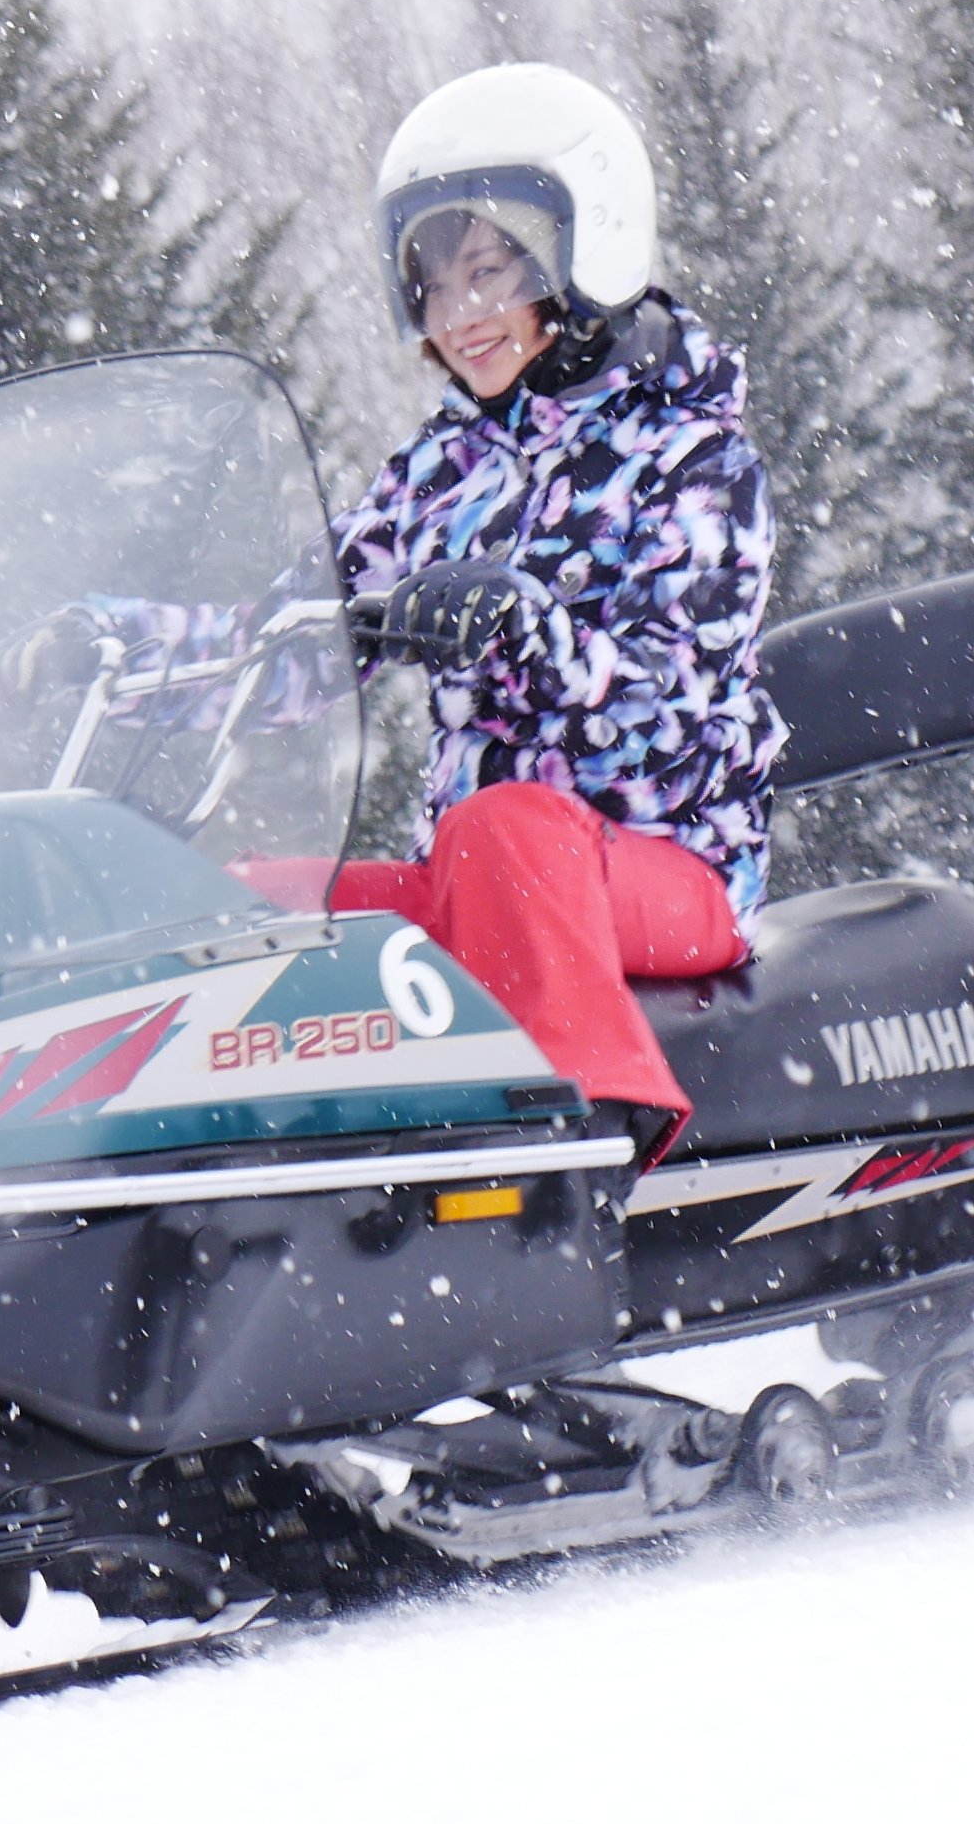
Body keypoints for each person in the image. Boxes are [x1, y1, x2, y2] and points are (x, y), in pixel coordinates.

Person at [324, 61, 783, 1155]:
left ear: (584, 254)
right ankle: (259, 1171)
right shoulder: (446, 464)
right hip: (488, 878)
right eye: (430, 284)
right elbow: (314, 599)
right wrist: (130, 641)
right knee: (273, 908)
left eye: (488, 270)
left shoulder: (693, 460)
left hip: (667, 867)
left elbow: (675, 718)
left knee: (507, 825)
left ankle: (579, 1132)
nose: (457, 314)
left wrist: (534, 632)